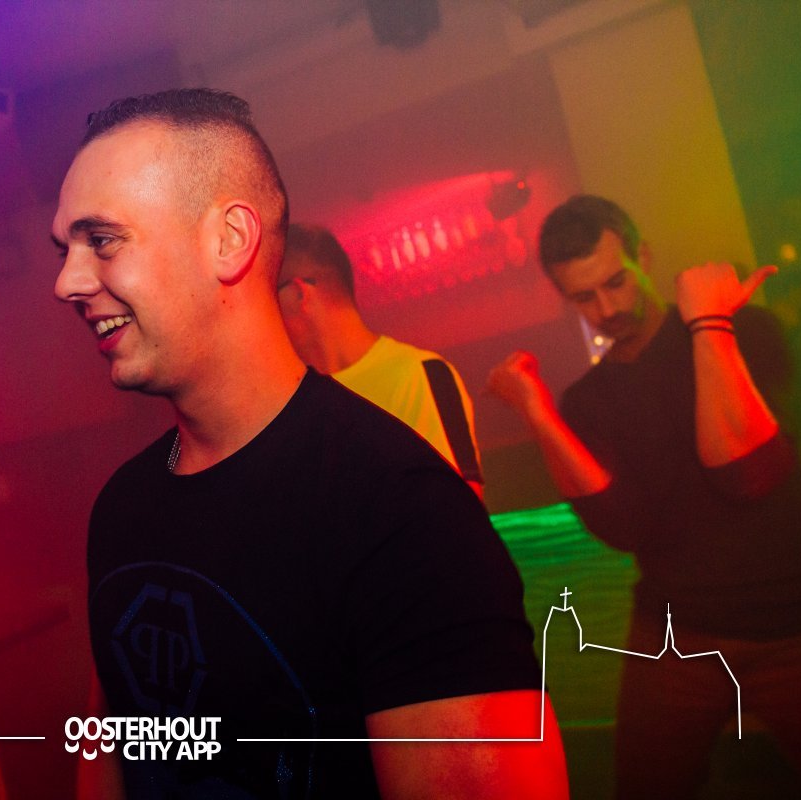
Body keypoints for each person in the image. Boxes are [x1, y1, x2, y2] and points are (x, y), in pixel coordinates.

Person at [52, 88, 567, 799]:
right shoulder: (123, 506)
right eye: (66, 249)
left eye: (103, 240)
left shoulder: (400, 510)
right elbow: (113, 742)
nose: (67, 282)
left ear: (229, 240)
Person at [487, 195, 801, 798]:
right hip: (675, 633)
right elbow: (621, 528)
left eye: (616, 282)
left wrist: (708, 326)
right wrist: (538, 414)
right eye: (584, 297)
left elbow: (747, 474)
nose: (608, 309)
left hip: (795, 622)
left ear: (643, 256)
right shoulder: (590, 400)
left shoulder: (745, 329)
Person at [277, 223, 485, 500]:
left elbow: (459, 512)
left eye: (268, 297)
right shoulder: (287, 404)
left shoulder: (420, 373)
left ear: (298, 294)